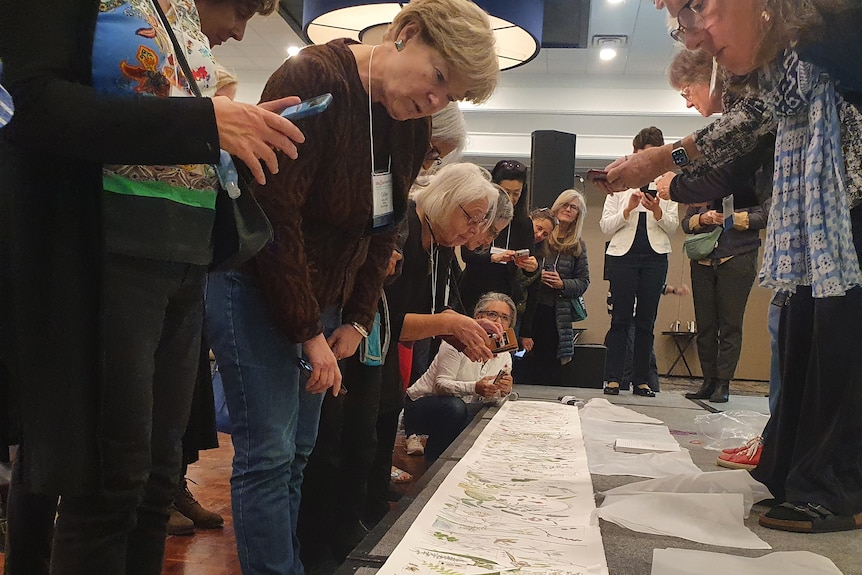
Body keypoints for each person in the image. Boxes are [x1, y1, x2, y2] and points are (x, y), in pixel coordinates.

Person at [0, 0, 305, 573]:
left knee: (157, 482)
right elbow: (35, 105)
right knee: (109, 481)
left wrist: (228, 128)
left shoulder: (182, 10)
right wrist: (202, 122)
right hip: (104, 250)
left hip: (182, 254)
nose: (239, 29)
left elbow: (155, 115)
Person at [207, 0, 498, 567]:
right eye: (438, 77)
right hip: (257, 286)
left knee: (299, 454)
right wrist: (312, 333)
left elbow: (383, 230)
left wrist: (358, 319)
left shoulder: (409, 124)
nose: (436, 101)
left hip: (327, 303)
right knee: (267, 454)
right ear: (406, 34)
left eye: (451, 95)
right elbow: (274, 217)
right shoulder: (314, 76)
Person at [653, 0, 862, 534]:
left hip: (843, 205)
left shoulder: (830, 32)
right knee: (802, 342)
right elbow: (754, 133)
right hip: (818, 219)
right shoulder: (792, 61)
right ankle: (797, 472)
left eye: (697, 9)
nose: (694, 35)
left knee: (839, 345)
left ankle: (835, 485)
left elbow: (748, 130)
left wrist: (663, 166)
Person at [296, 104, 474, 575]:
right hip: (330, 322)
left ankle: (343, 535)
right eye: (432, 153)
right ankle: (314, 547)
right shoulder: (391, 199)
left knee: (353, 445)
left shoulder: (408, 216)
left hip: (359, 333)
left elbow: (380, 284)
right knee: (315, 449)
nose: (475, 233)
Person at [364, 162, 502, 527]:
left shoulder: (437, 242)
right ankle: (359, 515)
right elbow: (386, 319)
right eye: (471, 219)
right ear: (446, 199)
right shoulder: (403, 231)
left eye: (480, 223)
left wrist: (464, 324)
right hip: (366, 350)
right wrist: (446, 323)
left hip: (389, 357)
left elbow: (432, 307)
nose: (474, 231)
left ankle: (375, 496)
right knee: (362, 436)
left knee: (385, 415)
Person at [661, 48, 772, 405]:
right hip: (704, 255)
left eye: (686, 92)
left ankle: (724, 383)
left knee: (731, 325)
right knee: (706, 325)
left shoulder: (751, 110)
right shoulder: (732, 125)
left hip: (738, 252)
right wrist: (697, 214)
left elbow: (768, 209)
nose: (689, 104)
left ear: (707, 75)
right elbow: (689, 219)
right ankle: (708, 381)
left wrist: (667, 174)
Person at [600, 127, 679, 397]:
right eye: (641, 155)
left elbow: (673, 226)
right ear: (634, 154)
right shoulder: (619, 185)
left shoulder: (668, 184)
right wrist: (628, 208)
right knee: (620, 318)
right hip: (622, 257)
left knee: (647, 320)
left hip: (656, 257)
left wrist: (657, 210)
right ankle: (613, 379)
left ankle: (642, 380)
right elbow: (604, 226)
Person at [404, 292, 516, 464]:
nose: (498, 322)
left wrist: (502, 391)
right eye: (492, 314)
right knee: (455, 408)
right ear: (478, 317)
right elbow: (441, 385)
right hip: (424, 403)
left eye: (504, 317)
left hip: (466, 405)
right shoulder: (456, 341)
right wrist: (476, 387)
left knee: (491, 412)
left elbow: (488, 398)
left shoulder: (505, 354)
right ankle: (435, 463)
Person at [518, 190, 590, 386]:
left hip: (558, 315)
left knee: (550, 368)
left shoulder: (578, 246)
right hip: (530, 309)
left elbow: (584, 282)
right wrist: (537, 276)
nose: (568, 209)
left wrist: (563, 284)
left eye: (573, 207)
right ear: (556, 207)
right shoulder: (538, 235)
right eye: (565, 204)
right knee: (522, 363)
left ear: (578, 215)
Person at [459, 160, 537, 316]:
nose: (511, 198)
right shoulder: (480, 214)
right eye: (506, 191)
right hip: (472, 291)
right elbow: (467, 254)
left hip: (505, 295)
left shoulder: (524, 223)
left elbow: (529, 264)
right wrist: (494, 257)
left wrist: (531, 267)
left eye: (517, 193)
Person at [517, 208, 558, 355]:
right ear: (530, 221)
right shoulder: (512, 239)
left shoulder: (539, 257)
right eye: (538, 228)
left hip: (516, 314)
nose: (540, 235)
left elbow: (533, 295)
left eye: (545, 234)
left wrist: (525, 332)